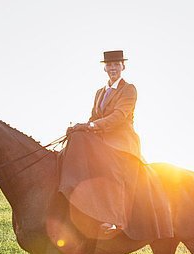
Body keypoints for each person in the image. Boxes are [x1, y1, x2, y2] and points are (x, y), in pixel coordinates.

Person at [59, 50, 172, 240]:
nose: (113, 68)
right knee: (76, 140)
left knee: (106, 165)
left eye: (116, 65)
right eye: (109, 65)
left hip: (121, 140)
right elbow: (94, 117)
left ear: (123, 67)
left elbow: (119, 116)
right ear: (105, 68)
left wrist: (92, 126)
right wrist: (81, 127)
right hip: (101, 138)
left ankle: (111, 218)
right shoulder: (99, 92)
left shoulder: (129, 89)